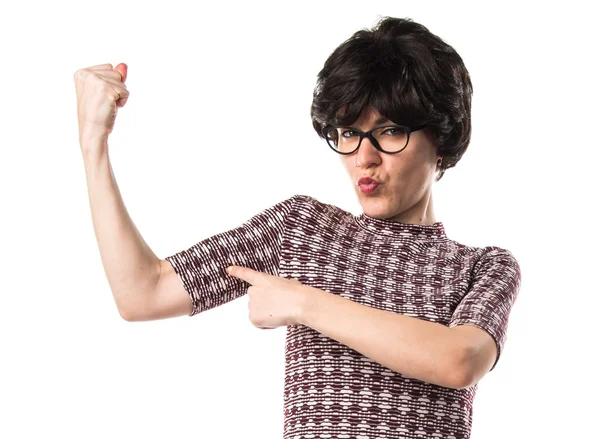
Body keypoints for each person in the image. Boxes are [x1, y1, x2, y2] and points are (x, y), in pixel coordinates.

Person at [74, 16, 521, 439]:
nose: (364, 157)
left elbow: (459, 360)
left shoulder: (484, 267)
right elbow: (141, 294)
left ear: (441, 138)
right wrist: (93, 143)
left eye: (389, 130)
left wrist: (303, 303)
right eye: (348, 132)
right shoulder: (303, 229)